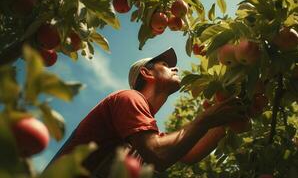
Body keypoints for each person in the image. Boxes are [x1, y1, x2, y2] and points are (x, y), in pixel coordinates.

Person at [46, 47, 245, 177]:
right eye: (166, 65)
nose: (175, 68)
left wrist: (224, 119)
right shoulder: (128, 98)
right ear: (146, 72)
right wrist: (208, 118)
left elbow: (188, 153)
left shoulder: (142, 134)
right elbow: (158, 152)